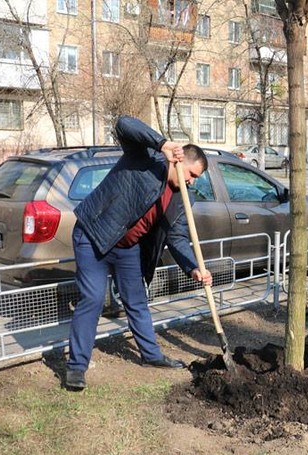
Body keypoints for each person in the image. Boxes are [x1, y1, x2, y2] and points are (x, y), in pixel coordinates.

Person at [65, 116, 213, 390]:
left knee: (136, 301)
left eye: (196, 178)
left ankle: (151, 356)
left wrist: (193, 267)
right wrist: (162, 144)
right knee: (93, 298)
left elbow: (178, 237)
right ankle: (76, 367)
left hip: (127, 248)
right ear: (178, 161)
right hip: (94, 236)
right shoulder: (146, 158)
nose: (192, 182)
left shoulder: (183, 198)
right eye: (191, 175)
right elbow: (124, 124)